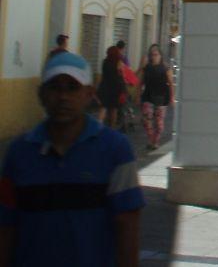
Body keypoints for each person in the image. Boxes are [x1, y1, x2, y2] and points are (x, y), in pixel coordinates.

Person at [0, 51, 144, 266]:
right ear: (41, 94)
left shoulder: (115, 150)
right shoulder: (19, 153)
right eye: (55, 87)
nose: (63, 97)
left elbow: (127, 226)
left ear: (89, 94)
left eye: (72, 87)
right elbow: (6, 226)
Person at [137, 44, 173, 151]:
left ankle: (155, 141)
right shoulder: (147, 67)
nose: (154, 57)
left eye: (156, 55)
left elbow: (170, 83)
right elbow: (141, 82)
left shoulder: (166, 68)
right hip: (147, 96)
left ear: (161, 56)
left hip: (161, 97)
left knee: (159, 123)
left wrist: (172, 98)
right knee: (146, 121)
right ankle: (152, 139)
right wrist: (137, 95)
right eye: (152, 55)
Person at [96, 46, 126, 128]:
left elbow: (103, 76)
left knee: (103, 108)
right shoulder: (119, 63)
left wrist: (97, 88)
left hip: (105, 87)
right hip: (115, 89)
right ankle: (112, 128)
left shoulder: (104, 62)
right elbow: (122, 76)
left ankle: (98, 128)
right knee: (114, 110)